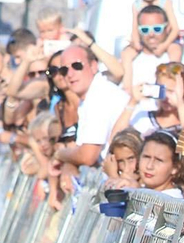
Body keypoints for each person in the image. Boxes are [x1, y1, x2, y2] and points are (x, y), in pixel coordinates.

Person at [51, 44, 130, 175]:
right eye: (64, 70)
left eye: (77, 66)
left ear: (94, 66)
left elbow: (87, 156)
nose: (70, 74)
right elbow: (80, 152)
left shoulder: (99, 96)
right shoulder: (90, 97)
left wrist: (60, 154)